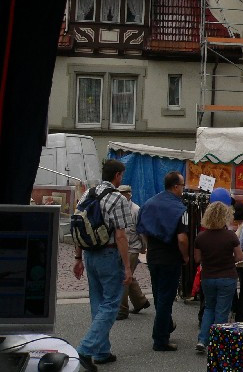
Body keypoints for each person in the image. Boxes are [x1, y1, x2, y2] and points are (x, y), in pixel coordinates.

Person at [73, 159, 132, 371]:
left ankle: (102, 351)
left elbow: (79, 225)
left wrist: (78, 258)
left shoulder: (87, 194)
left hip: (89, 254)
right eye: (122, 175)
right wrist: (127, 267)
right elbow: (121, 236)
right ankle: (85, 350)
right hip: (108, 254)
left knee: (97, 302)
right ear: (117, 175)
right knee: (111, 304)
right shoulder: (117, 198)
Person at [137, 171, 189, 352]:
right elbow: (182, 239)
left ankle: (165, 326)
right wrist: (185, 256)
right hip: (170, 257)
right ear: (175, 186)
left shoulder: (149, 203)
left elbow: (142, 229)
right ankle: (160, 339)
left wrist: (148, 245)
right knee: (166, 298)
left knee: (159, 294)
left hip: (153, 255)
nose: (184, 189)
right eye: (183, 185)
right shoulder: (181, 209)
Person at [194, 202, 243, 353]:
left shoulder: (201, 237)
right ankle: (218, 342)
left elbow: (197, 259)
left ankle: (203, 340)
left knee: (209, 307)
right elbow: (239, 257)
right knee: (222, 310)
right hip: (227, 276)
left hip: (208, 276)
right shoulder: (230, 236)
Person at [116, 185, 150, 320]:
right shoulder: (118, 208)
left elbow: (141, 230)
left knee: (124, 277)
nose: (122, 196)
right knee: (127, 274)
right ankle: (140, 301)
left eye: (124, 194)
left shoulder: (136, 209)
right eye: (120, 194)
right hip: (121, 247)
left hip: (132, 247)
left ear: (130, 195)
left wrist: (143, 247)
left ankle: (122, 309)